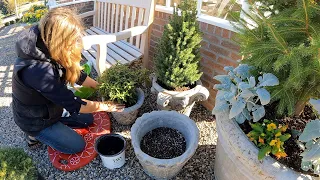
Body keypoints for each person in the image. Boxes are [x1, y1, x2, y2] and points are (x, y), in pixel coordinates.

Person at [12, 7, 124, 154]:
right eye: (72, 41)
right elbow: (76, 105)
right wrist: (107, 106)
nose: (74, 44)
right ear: (59, 40)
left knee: (88, 119)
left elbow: (75, 73)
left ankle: (58, 119)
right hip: (35, 120)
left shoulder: (46, 42)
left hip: (50, 107)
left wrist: (100, 86)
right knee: (77, 146)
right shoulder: (38, 71)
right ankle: (33, 136)